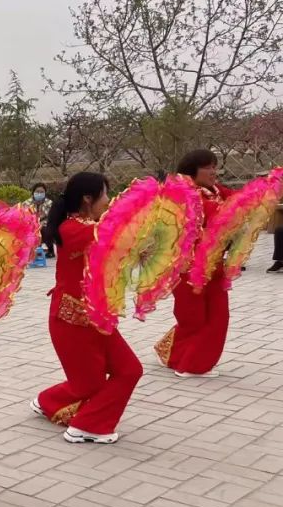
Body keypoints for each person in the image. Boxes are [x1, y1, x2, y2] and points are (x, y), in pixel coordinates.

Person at [32, 172, 143, 444]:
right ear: (87, 198)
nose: (108, 200)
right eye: (105, 194)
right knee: (89, 384)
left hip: (97, 318)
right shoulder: (73, 229)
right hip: (71, 322)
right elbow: (112, 233)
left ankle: (48, 401)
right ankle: (88, 426)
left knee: (129, 370)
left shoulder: (92, 226)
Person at [154, 149, 236, 377]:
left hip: (215, 267)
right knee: (194, 319)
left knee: (219, 316)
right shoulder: (183, 193)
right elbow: (215, 214)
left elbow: (241, 199)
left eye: (214, 166)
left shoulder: (217, 191)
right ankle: (188, 363)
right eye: (207, 167)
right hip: (187, 268)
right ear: (192, 170)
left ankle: (181, 356)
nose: (213, 171)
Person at [20, 182, 54, 257]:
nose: (39, 193)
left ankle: (50, 250)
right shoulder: (26, 203)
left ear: (45, 193)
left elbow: (51, 217)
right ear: (33, 192)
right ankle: (29, 252)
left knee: (46, 230)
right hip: (31, 225)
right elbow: (23, 216)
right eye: (37, 191)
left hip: (45, 225)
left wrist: (42, 224)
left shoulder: (49, 203)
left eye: (42, 192)